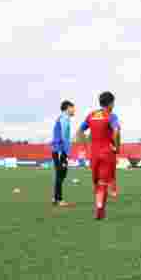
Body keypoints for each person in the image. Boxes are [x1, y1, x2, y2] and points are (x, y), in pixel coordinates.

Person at [76, 91, 120, 220]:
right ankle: (100, 207)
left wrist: (85, 145)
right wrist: (117, 147)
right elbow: (116, 131)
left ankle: (99, 204)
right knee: (103, 182)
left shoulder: (91, 115)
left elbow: (79, 131)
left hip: (94, 153)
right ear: (110, 103)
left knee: (96, 183)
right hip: (107, 152)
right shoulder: (111, 116)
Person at [51, 100, 74, 206]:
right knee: (61, 173)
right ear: (67, 108)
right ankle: (59, 199)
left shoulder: (62, 118)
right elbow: (64, 136)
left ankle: (56, 198)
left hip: (58, 149)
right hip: (60, 150)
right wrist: (66, 151)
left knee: (61, 173)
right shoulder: (64, 118)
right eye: (72, 108)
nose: (74, 110)